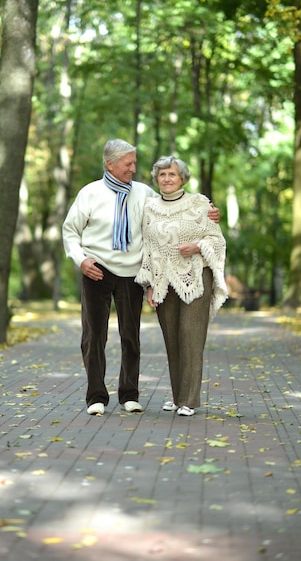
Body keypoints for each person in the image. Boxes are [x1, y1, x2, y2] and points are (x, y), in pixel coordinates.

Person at [62, 140, 220, 416]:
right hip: (96, 269)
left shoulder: (144, 194)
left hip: (131, 273)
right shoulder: (89, 193)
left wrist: (210, 213)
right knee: (94, 336)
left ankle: (129, 395)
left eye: (135, 163)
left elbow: (172, 209)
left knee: (130, 336)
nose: (134, 169)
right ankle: (96, 397)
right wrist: (81, 260)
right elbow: (70, 231)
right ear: (110, 164)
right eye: (128, 164)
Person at [135, 155, 228, 416]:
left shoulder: (200, 204)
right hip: (164, 280)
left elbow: (217, 240)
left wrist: (196, 246)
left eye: (172, 174)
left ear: (182, 178)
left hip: (196, 276)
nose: (166, 179)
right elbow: (149, 249)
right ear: (156, 179)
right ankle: (177, 398)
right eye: (162, 175)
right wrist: (150, 285)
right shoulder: (149, 208)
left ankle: (189, 400)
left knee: (191, 335)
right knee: (172, 337)